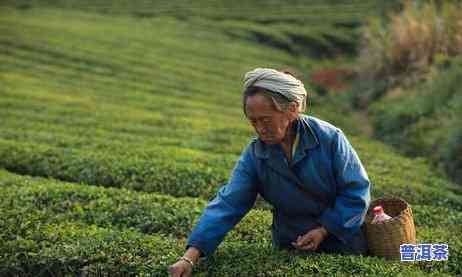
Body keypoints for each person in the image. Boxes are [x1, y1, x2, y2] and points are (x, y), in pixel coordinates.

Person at [168, 68, 370, 277]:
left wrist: (324, 230)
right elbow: (229, 203)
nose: (260, 128)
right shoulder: (255, 155)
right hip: (292, 247)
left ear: (291, 110)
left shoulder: (329, 139)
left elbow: (356, 192)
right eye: (253, 121)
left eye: (265, 120)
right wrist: (189, 257)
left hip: (342, 242)